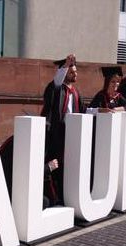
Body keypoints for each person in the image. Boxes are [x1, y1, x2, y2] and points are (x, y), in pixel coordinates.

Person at [41, 54, 85, 205]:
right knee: (56, 166)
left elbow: (83, 111)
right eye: (72, 72)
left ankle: (68, 196)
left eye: (76, 71)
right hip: (56, 135)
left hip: (72, 135)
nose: (75, 74)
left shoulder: (76, 92)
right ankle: (55, 197)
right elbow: (56, 83)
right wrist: (65, 65)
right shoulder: (57, 88)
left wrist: (99, 110)